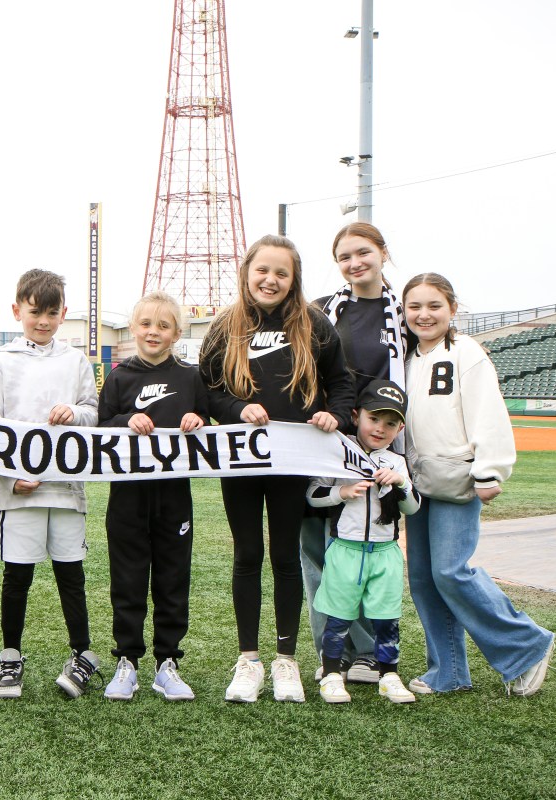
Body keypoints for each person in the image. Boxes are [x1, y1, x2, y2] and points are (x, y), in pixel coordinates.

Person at [199, 234, 355, 704]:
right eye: (262, 270)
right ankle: (248, 659)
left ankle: (286, 660)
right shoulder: (226, 326)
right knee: (247, 554)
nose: (270, 280)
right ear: (247, 272)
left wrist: (337, 415)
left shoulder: (315, 324)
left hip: (293, 461)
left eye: (281, 273)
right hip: (242, 461)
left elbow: (342, 382)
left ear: (294, 279)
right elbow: (205, 389)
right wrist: (235, 408)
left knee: (286, 556)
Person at [401, 273, 555, 696]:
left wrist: (491, 469)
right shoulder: (407, 357)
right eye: (414, 306)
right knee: (423, 578)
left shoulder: (467, 353)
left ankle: (527, 645)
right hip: (418, 479)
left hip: (458, 476)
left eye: (434, 305)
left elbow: (488, 412)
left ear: (452, 309)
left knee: (452, 571)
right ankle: (447, 671)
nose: (424, 314)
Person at [0, 268, 100, 699]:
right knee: (18, 577)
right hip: (20, 494)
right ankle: (11, 656)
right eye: (36, 312)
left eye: (52, 313)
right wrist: (12, 477)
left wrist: (74, 411)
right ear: (18, 310)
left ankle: (83, 654)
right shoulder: (1, 362)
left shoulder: (75, 361)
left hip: (67, 491)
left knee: (72, 575)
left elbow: (93, 413)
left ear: (63, 313)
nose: (44, 321)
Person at [302, 222, 411, 685]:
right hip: (327, 439)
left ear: (383, 253)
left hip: (379, 442)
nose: (354, 263)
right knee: (315, 545)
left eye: (362, 252)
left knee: (368, 542)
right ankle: (332, 650)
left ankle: (367, 651)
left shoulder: (405, 314)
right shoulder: (323, 310)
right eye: (344, 257)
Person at [97, 291, 209, 701]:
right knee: (127, 579)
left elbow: (209, 427)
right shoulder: (119, 376)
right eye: (146, 324)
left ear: (177, 333)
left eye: (163, 325)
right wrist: (127, 420)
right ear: (133, 328)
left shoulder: (190, 377)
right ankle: (127, 661)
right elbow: (102, 426)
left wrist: (199, 419)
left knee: (172, 578)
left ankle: (168, 663)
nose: (153, 332)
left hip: (174, 496)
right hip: (127, 496)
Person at [307, 379, 421, 704]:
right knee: (339, 616)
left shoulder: (397, 462)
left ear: (399, 428)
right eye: (374, 419)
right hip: (346, 549)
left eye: (390, 423)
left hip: (385, 552)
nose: (380, 429)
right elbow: (313, 495)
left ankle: (389, 675)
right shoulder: (339, 451)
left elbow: (412, 507)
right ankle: (331, 674)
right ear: (357, 415)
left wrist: (400, 484)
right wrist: (341, 492)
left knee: (386, 619)